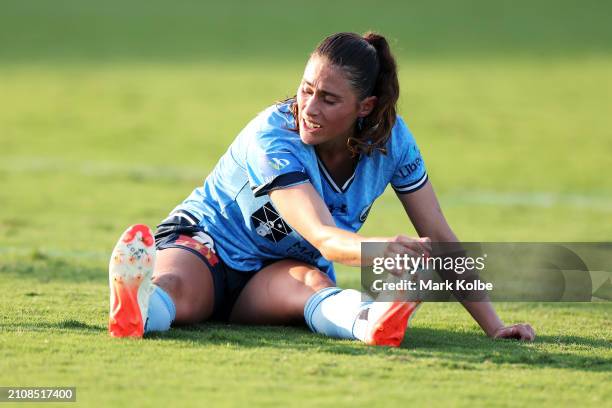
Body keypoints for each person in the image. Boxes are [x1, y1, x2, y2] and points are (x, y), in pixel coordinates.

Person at [108, 32, 535, 346]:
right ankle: (137, 305)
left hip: (272, 274)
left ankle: (373, 321)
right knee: (177, 291)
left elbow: (440, 237)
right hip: (207, 247)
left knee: (312, 284)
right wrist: (381, 248)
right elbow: (322, 236)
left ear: (364, 107)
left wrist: (493, 325)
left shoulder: (394, 142)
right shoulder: (273, 136)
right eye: (306, 90)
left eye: (328, 99)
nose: (309, 108)